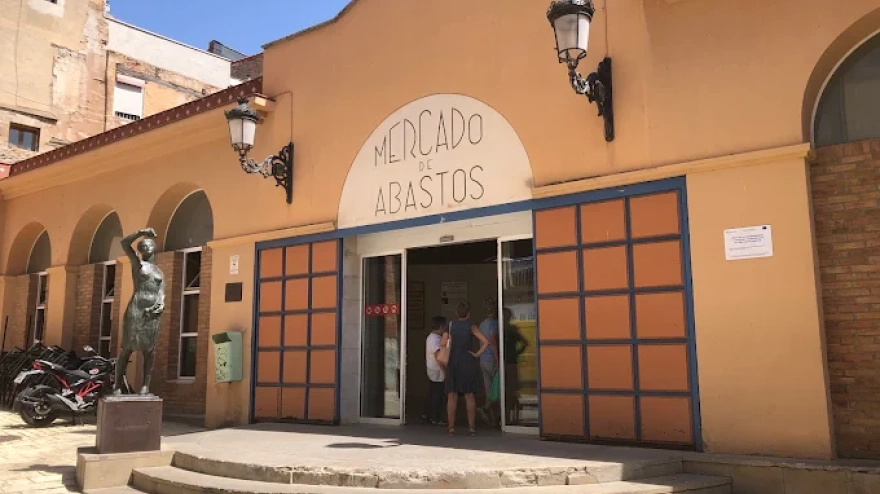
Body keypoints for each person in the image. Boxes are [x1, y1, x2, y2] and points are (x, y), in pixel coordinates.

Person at [442, 302, 491, 436]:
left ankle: (451, 428)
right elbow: (486, 341)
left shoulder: (450, 325)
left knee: (452, 395)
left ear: (456, 313)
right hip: (467, 361)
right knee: (469, 395)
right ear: (468, 314)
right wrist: (477, 354)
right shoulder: (471, 325)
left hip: (453, 362)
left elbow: (442, 342)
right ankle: (471, 428)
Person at [502, 307, 529, 425]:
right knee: (509, 390)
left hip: (507, 363)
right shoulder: (510, 329)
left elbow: (525, 342)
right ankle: (507, 416)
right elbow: (525, 343)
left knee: (509, 391)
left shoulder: (509, 330)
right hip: (509, 362)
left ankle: (507, 416)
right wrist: (516, 353)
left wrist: (516, 353)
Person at [477, 299, 500, 426]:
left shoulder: (482, 324)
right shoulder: (494, 323)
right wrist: (498, 359)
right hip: (491, 359)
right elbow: (493, 341)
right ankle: (486, 409)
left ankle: (493, 420)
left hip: (483, 360)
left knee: (489, 390)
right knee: (497, 390)